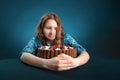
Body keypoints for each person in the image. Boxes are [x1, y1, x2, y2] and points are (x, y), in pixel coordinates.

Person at [20, 12, 90, 71]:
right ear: (42, 29)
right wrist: (46, 64)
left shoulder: (66, 38)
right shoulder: (37, 40)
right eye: (48, 28)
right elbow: (24, 56)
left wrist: (75, 62)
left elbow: (85, 53)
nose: (52, 32)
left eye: (56, 28)